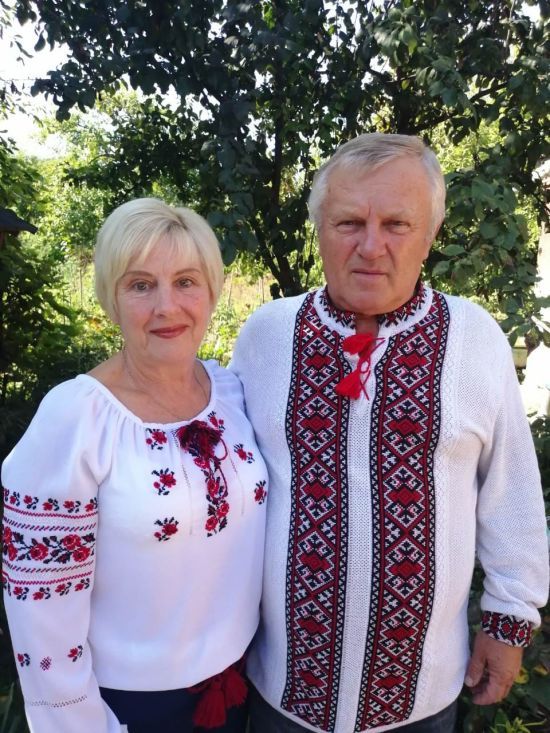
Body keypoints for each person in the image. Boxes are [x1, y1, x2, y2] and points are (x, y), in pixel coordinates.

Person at [230, 133, 549, 733]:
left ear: (430, 234)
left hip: (420, 699)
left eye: (397, 224)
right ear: (320, 229)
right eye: (349, 222)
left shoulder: (475, 339)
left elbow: (513, 496)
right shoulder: (266, 336)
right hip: (282, 692)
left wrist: (509, 621)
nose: (371, 246)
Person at [2, 198, 268, 733]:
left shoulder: (231, 394)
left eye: (186, 281)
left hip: (237, 687)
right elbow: (39, 604)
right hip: (127, 709)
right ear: (112, 300)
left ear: (212, 291)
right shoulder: (77, 418)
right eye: (141, 285)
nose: (167, 306)